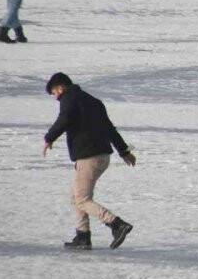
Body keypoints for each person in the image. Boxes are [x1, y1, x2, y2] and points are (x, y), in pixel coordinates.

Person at [42, 73, 135, 250]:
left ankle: (117, 224)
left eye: (54, 93)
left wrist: (49, 138)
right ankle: (83, 236)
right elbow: (109, 129)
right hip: (101, 156)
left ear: (60, 88)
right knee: (76, 196)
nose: (55, 97)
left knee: (82, 199)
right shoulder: (94, 101)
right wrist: (124, 152)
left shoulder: (69, 99)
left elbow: (65, 118)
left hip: (88, 157)